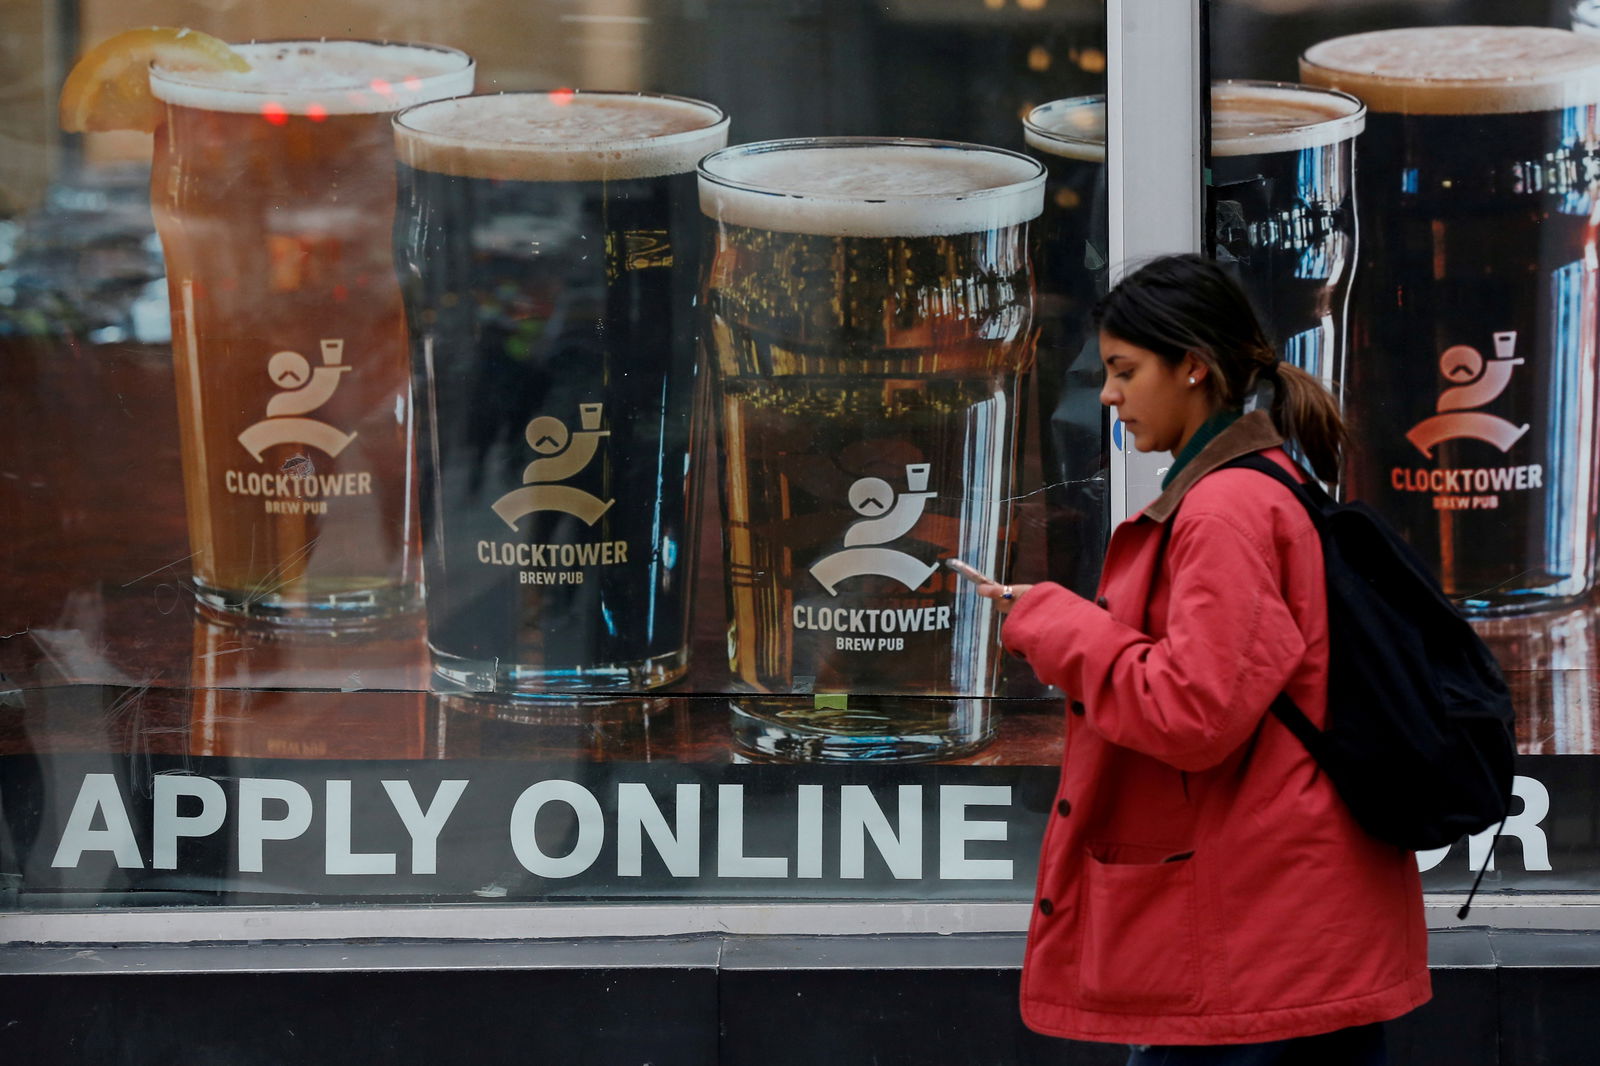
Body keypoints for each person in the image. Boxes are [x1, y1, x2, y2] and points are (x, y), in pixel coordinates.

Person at [977, 255, 1429, 1064]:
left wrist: (1049, 622)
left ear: (1193, 367)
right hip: (1284, 924)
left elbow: (1193, 713)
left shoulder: (1224, 509)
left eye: (1124, 369)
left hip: (1258, 943)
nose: (1108, 394)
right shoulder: (1265, 484)